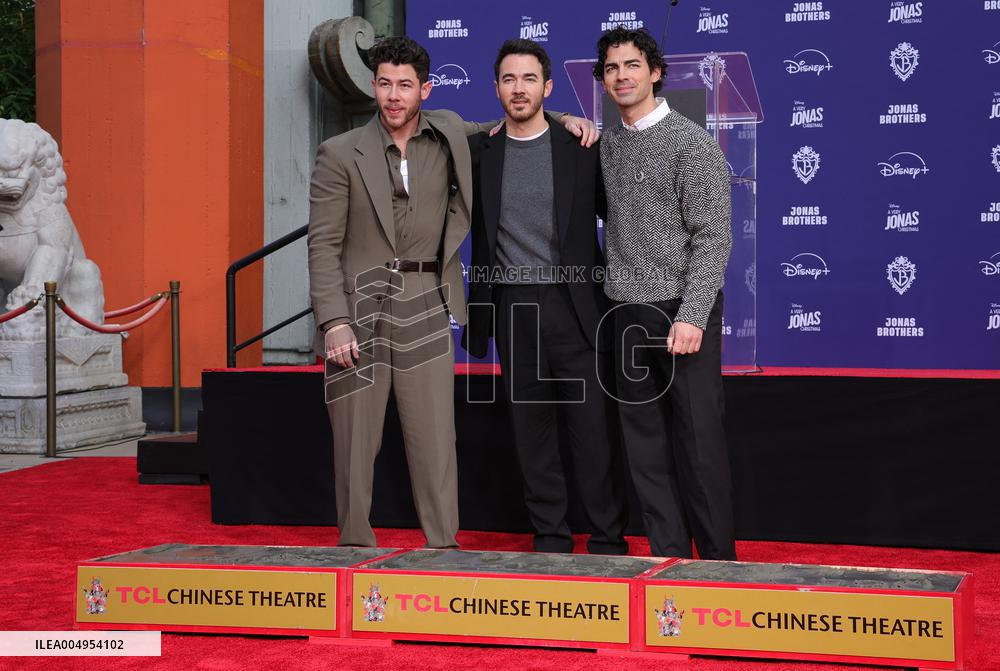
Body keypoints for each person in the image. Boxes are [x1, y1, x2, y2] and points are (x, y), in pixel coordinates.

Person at [307, 36, 596, 548]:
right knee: (354, 443)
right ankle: (352, 548)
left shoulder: (449, 134)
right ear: (373, 87)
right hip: (356, 311)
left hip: (426, 302)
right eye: (385, 84)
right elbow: (322, 245)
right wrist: (332, 321)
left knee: (437, 439)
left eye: (405, 85)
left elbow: (514, 120)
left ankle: (443, 549)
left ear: (425, 89)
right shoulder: (338, 153)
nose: (394, 96)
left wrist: (569, 119)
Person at [463, 39, 628, 555]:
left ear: (547, 87)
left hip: (576, 303)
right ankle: (551, 538)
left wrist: (567, 119)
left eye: (529, 79)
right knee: (531, 432)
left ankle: (606, 538)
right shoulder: (478, 150)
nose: (519, 88)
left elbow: (613, 213)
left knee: (591, 430)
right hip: (513, 307)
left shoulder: (582, 147)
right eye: (509, 80)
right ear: (495, 88)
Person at [592, 27, 736, 560]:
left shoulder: (690, 141)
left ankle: (719, 567)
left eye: (631, 65)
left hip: (682, 312)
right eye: (611, 68)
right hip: (627, 312)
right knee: (644, 449)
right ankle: (668, 560)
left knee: (699, 448)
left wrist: (694, 314)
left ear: (655, 72)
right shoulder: (608, 145)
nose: (621, 76)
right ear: (603, 81)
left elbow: (713, 235)